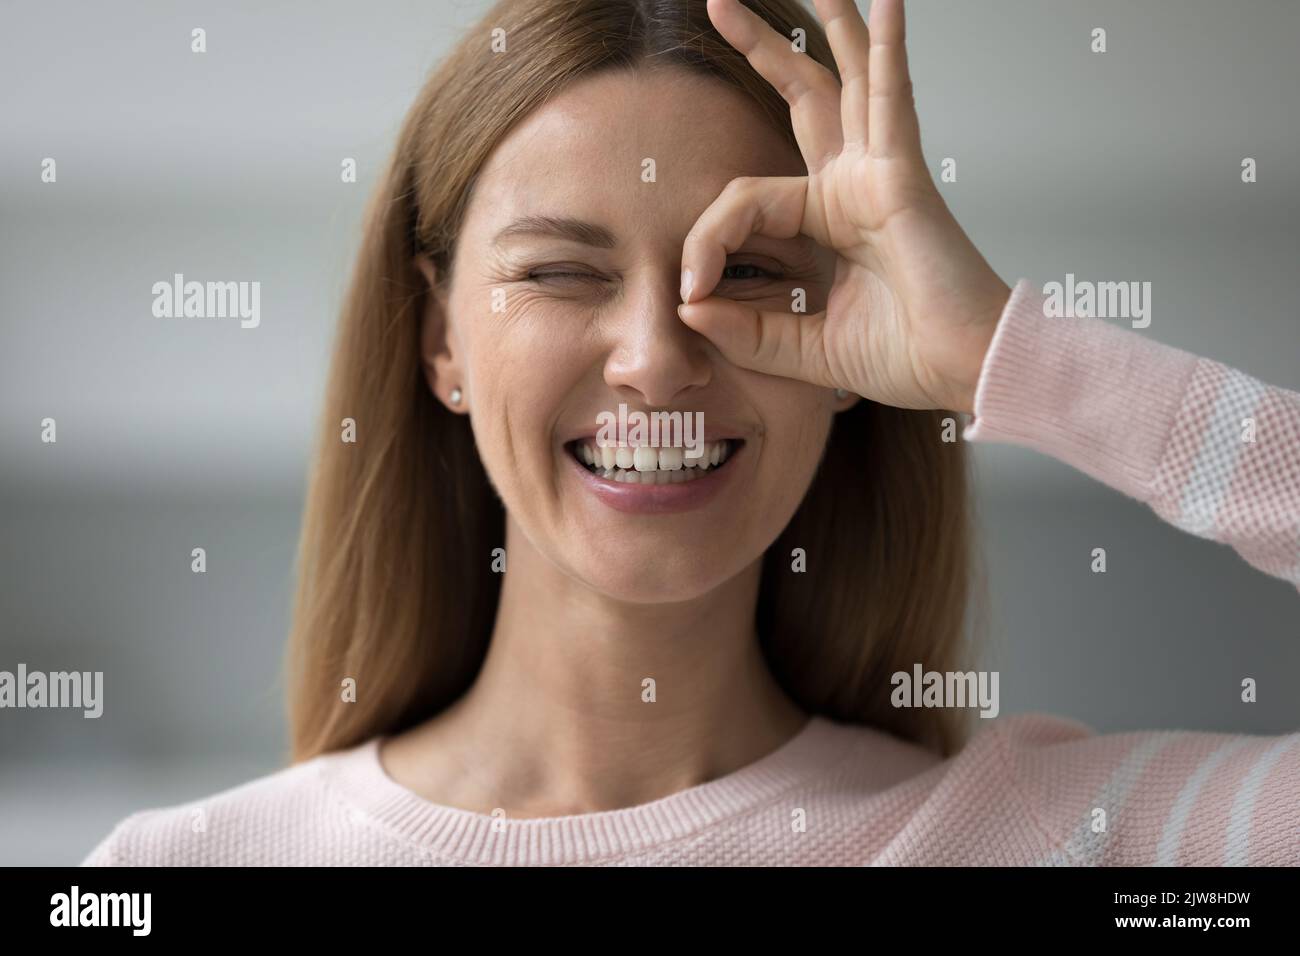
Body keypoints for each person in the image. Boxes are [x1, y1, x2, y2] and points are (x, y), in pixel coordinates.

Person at [81, 0, 1298, 867]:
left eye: (754, 271)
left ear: (851, 355)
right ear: (437, 340)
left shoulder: (1044, 839)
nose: (655, 354)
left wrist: (993, 352)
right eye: (561, 271)